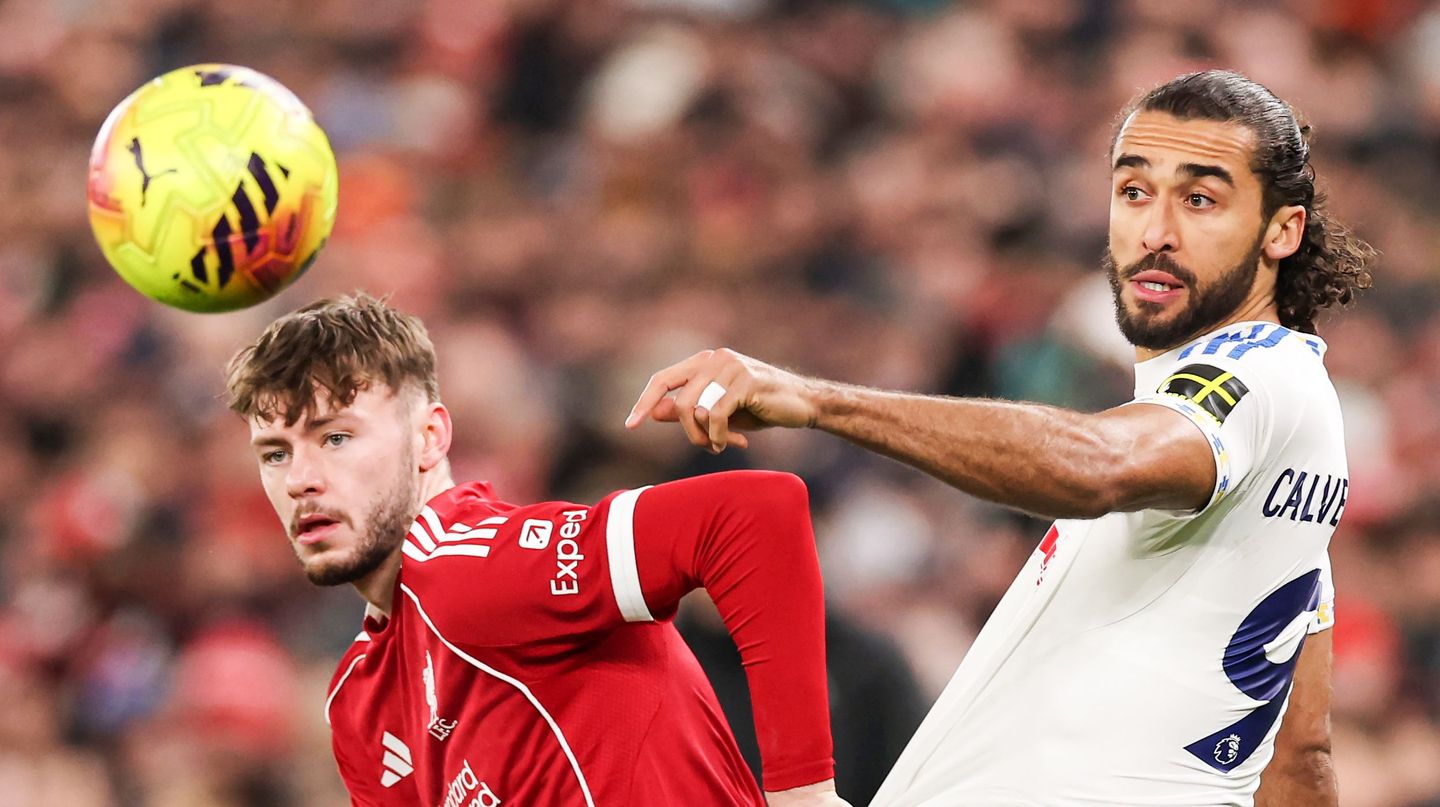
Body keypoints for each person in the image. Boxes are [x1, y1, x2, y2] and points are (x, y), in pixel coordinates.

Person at [627, 70, 1373, 805]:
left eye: (1201, 199)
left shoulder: (1253, 378)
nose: (1155, 232)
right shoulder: (1285, 443)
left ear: (1284, 229)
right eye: (1134, 190)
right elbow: (1299, 754)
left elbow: (1098, 465)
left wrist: (816, 400)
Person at [223, 293, 850, 807]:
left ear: (429, 438)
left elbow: (750, 516)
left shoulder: (473, 567)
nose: (299, 477)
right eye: (275, 453)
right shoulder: (359, 701)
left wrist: (803, 793)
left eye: (334, 437)